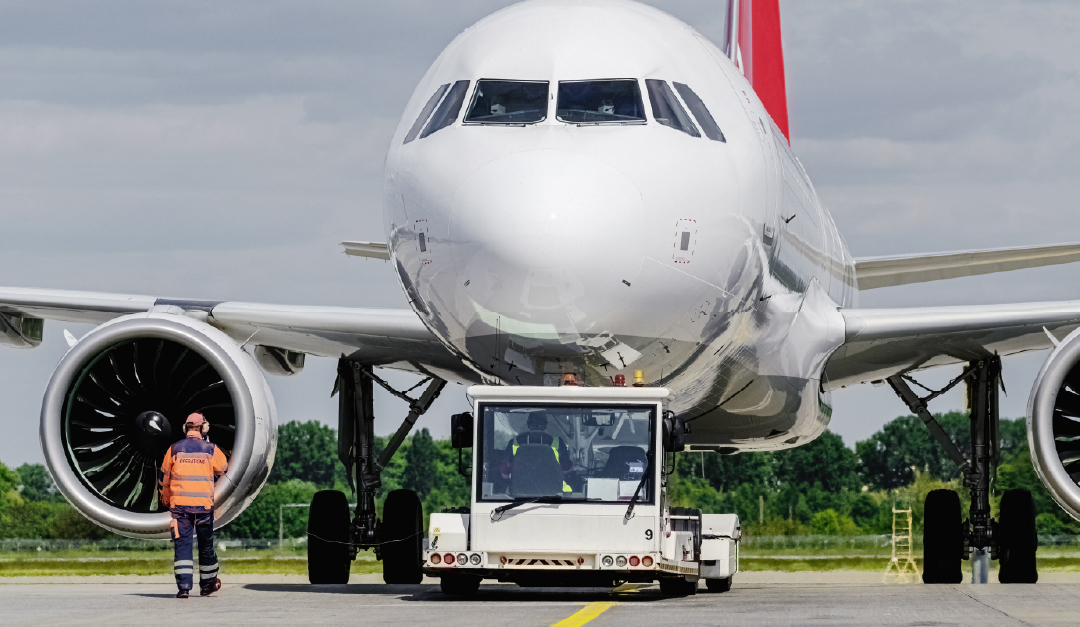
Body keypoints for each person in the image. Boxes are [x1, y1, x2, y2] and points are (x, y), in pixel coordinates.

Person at [160, 412, 228, 599]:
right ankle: (207, 585)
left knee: (183, 547)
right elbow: (223, 468)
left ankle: (184, 588)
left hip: (180, 509)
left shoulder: (174, 449)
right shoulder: (210, 449)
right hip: (203, 508)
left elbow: (165, 479)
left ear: (185, 428)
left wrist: (167, 500)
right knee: (206, 547)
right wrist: (207, 441)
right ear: (203, 427)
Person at [502, 411, 573, 493]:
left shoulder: (514, 443)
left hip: (520, 493)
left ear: (528, 424)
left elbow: (504, 474)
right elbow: (566, 468)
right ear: (546, 424)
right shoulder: (557, 442)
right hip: (553, 493)